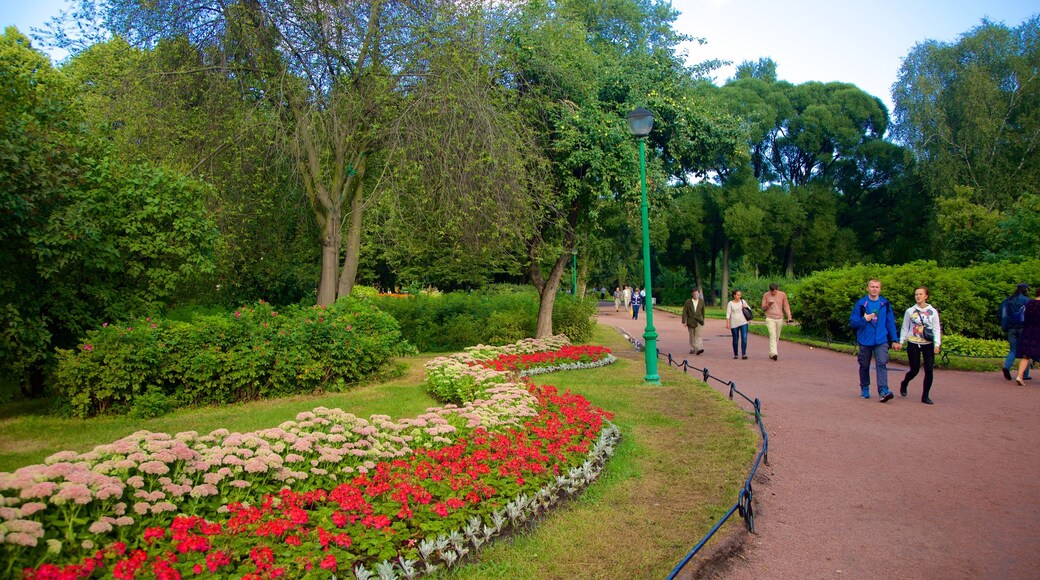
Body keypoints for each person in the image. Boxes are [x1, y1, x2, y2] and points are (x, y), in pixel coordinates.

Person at [849, 278, 901, 402]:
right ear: (867, 288)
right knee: (864, 364)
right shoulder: (861, 304)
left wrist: (894, 339)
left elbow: (890, 322)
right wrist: (864, 319)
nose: (874, 289)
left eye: (877, 287)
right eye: (872, 287)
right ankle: (865, 387)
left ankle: (883, 390)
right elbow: (852, 322)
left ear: (880, 289)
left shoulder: (885, 304)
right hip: (865, 339)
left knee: (882, 363)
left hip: (881, 339)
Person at [898, 286, 942, 404]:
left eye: (920, 294)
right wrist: (901, 341)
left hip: (927, 344)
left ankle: (925, 396)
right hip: (913, 343)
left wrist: (937, 344)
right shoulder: (910, 311)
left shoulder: (933, 312)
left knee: (929, 370)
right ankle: (905, 382)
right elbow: (905, 327)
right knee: (914, 369)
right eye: (916, 294)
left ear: (926, 296)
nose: (918, 296)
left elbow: (936, 328)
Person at [1001, 283, 1032, 381]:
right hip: (1023, 328)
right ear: (1025, 290)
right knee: (1025, 352)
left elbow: (1002, 313)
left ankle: (1006, 366)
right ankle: (1025, 374)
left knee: (1013, 350)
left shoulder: (1009, 300)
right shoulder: (1027, 301)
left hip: (1011, 328)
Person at [1014, 287, 1040, 385]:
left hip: (1027, 332)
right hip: (1038, 332)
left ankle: (1019, 376)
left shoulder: (1029, 303)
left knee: (1026, 356)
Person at [761, 282, 793, 361]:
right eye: (771, 291)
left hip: (779, 318)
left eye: (774, 291)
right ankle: (774, 353)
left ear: (777, 289)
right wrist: (768, 305)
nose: (773, 292)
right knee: (772, 335)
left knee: (777, 336)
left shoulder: (782, 295)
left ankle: (771, 353)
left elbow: (786, 306)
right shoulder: (766, 295)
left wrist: (789, 316)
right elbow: (763, 307)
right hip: (770, 318)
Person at [725, 289, 750, 360]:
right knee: (735, 339)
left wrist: (745, 307)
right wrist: (727, 323)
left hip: (743, 322)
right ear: (734, 295)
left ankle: (744, 354)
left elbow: (748, 308)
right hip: (734, 322)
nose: (739, 296)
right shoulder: (730, 303)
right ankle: (736, 354)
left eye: (740, 295)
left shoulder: (743, 301)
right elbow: (728, 313)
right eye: (738, 295)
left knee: (744, 338)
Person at [682, 288, 706, 355]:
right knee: (692, 335)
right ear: (692, 294)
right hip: (691, 320)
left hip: (699, 320)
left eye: (697, 293)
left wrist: (703, 320)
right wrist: (684, 321)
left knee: (698, 335)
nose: (696, 295)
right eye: (694, 293)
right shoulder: (688, 302)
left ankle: (699, 348)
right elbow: (684, 312)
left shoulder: (701, 301)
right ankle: (692, 348)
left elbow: (703, 311)